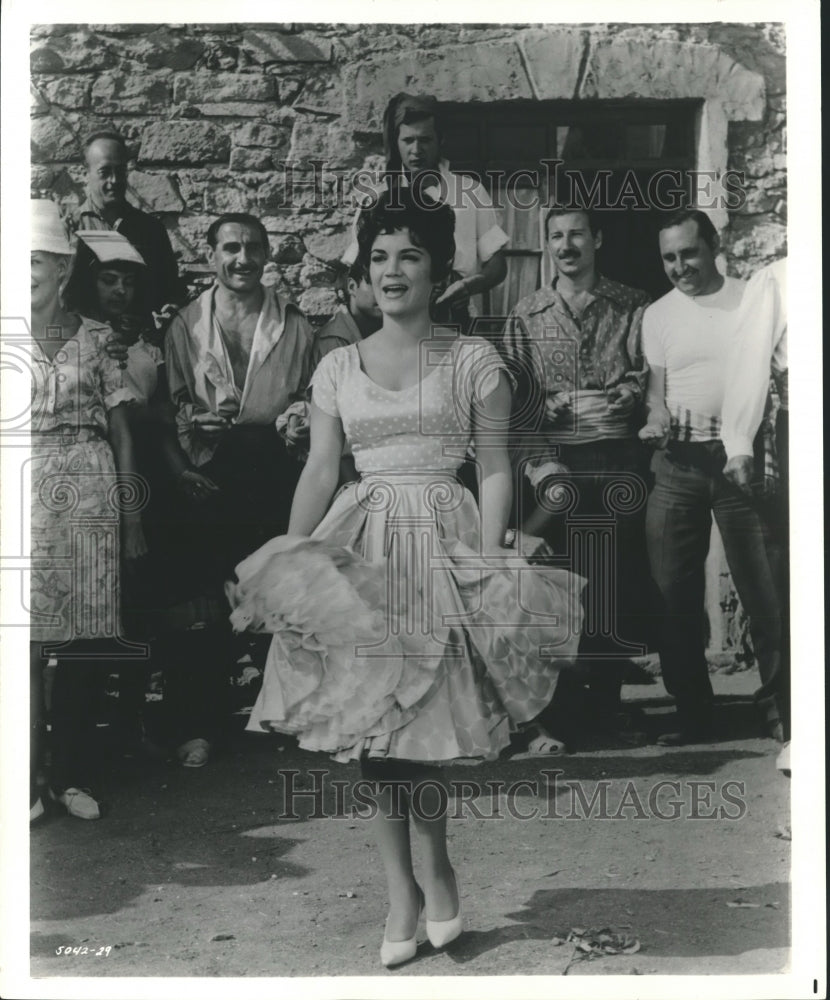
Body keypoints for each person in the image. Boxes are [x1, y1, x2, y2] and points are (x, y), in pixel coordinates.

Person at [234, 189, 584, 968]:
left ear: (440, 270)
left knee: (425, 725)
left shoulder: (474, 361)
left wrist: (489, 556)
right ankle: (398, 889)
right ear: (364, 272)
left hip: (441, 542)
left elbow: (495, 468)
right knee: (371, 724)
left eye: (411, 256)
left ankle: (438, 866)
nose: (392, 271)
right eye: (379, 257)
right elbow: (322, 470)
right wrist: (294, 558)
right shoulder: (336, 366)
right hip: (364, 549)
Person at [162, 212, 315, 766]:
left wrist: (294, 418)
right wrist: (192, 428)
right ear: (211, 257)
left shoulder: (294, 325)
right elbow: (171, 402)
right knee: (206, 595)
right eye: (230, 248)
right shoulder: (185, 325)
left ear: (267, 254)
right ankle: (195, 725)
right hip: (210, 471)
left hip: (274, 470)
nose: (242, 258)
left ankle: (289, 720)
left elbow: (310, 395)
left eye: (252, 247)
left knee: (283, 593)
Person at [503, 205, 652, 751]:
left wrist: (626, 394)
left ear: (598, 240)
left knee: (611, 584)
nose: (567, 246)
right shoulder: (527, 313)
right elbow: (514, 401)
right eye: (557, 237)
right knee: (558, 588)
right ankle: (559, 711)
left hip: (615, 461)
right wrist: (546, 404)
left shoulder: (631, 304)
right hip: (554, 469)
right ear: (547, 246)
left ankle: (608, 707)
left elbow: (647, 373)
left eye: (577, 235)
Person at [639, 208, 781, 746]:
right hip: (678, 464)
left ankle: (781, 711)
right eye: (670, 258)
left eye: (689, 253)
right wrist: (656, 418)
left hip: (742, 463)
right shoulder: (658, 315)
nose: (680, 266)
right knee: (672, 594)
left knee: (765, 589)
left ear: (714, 244)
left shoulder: (752, 300)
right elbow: (658, 391)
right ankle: (694, 714)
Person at [30, 201, 147, 821]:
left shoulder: (97, 338)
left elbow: (125, 432)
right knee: (19, 647)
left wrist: (130, 516)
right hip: (22, 497)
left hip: (92, 492)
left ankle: (70, 775)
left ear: (63, 266)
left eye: (38, 261)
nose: (25, 272)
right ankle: (25, 779)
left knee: (79, 649)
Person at [344, 93, 509, 329]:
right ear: (396, 142)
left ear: (440, 140)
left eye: (425, 140)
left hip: (452, 314)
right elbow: (355, 269)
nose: (416, 149)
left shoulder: (469, 191)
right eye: (408, 140)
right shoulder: (378, 196)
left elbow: (497, 265)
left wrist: (468, 286)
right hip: (392, 319)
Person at [721, 258, 789, 745]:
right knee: (794, 576)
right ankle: (796, 716)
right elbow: (749, 363)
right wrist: (739, 443)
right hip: (805, 426)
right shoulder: (779, 277)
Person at [67, 131, 184, 321]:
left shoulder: (151, 229)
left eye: (120, 171)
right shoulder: (69, 227)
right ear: (85, 173)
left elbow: (171, 290)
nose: (114, 181)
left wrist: (169, 311)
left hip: (139, 344)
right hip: (85, 342)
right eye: (105, 172)